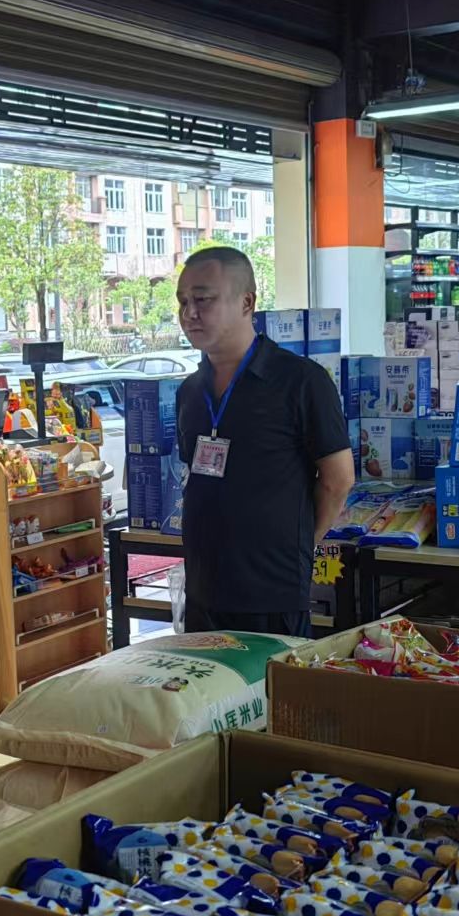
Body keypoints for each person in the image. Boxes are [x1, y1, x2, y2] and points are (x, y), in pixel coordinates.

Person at [173, 246, 355, 636]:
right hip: (204, 590)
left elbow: (338, 480)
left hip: (271, 593)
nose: (189, 313)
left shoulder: (301, 381)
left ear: (247, 303)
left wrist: (299, 545)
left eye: (203, 300)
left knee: (273, 678)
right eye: (183, 301)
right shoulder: (190, 391)